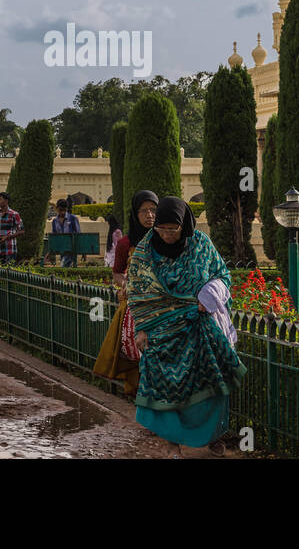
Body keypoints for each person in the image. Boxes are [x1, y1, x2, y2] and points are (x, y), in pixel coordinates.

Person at [128, 196, 244, 457]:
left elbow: (222, 275)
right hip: (162, 333)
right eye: (162, 228)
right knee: (166, 389)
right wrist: (141, 328)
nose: (167, 234)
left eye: (173, 229)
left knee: (210, 384)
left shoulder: (201, 244)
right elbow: (137, 292)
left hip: (200, 328)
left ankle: (211, 436)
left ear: (185, 226)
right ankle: (172, 444)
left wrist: (209, 294)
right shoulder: (144, 254)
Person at [93, 191, 157, 397]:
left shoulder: (164, 238)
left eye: (154, 210)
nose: (150, 215)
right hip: (134, 305)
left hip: (159, 304)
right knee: (135, 350)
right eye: (144, 211)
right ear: (135, 214)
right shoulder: (125, 244)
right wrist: (127, 284)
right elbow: (117, 273)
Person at [0, 192, 24, 265]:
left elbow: (22, 231)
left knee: (9, 272)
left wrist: (8, 237)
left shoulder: (14, 214)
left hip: (10, 249)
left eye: (0, 199)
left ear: (6, 201)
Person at [51, 199, 81, 267]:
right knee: (66, 265)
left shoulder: (72, 218)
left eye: (63, 210)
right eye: (60, 210)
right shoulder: (55, 221)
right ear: (57, 208)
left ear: (66, 209)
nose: (62, 212)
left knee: (64, 264)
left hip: (71, 248)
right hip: (62, 248)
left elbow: (78, 233)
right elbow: (54, 236)